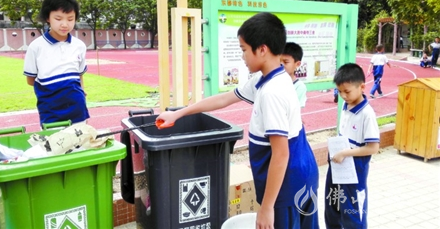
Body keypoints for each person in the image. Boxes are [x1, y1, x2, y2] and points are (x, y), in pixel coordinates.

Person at [157, 12, 319, 229]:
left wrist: (267, 207)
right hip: (302, 173)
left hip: (287, 186)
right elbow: (225, 98)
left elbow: (280, 154)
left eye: (244, 49)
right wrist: (178, 114)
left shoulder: (272, 92)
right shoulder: (268, 79)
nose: (242, 56)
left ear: (262, 49)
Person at [324, 63, 380, 229]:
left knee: (352, 213)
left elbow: (373, 148)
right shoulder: (345, 105)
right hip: (338, 164)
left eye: (347, 91)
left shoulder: (367, 114)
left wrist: (345, 153)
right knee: (332, 207)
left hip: (354, 171)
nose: (343, 95)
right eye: (339, 91)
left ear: (362, 87)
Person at [23, 0, 90, 126]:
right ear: (48, 17)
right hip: (50, 110)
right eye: (58, 19)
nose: (65, 24)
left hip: (77, 108)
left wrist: (81, 92)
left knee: (81, 144)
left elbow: (79, 75)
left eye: (70, 19)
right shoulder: (36, 47)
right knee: (54, 145)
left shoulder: (79, 46)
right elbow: (31, 80)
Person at [280, 42, 307, 108]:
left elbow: (293, 111)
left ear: (297, 64)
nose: (281, 65)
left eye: (286, 62)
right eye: (279, 61)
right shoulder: (272, 82)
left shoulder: (299, 87)